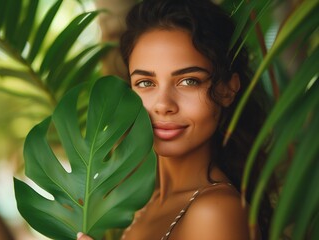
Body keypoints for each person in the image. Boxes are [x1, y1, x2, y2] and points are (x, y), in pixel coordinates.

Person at [78, 0, 273, 239]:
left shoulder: (214, 211)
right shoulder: (146, 204)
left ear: (226, 90)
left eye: (189, 81)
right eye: (145, 83)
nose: (163, 105)